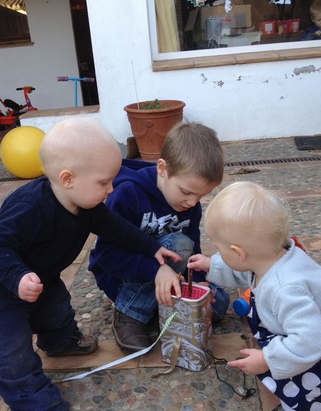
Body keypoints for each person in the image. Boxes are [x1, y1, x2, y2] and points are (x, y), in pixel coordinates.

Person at [0, 116, 180, 411]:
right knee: (10, 349)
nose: (110, 190)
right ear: (68, 178)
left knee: (55, 308)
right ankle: (32, 405)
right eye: (103, 183)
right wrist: (18, 277)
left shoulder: (87, 204)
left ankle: (60, 340)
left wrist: (150, 248)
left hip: (39, 272)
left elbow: (116, 228)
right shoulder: (29, 206)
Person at [188, 181, 321, 411]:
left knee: (300, 374)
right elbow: (244, 269)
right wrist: (212, 264)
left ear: (237, 252)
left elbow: (310, 342)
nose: (219, 253)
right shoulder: (274, 255)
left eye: (219, 249)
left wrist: (268, 359)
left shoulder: (285, 289)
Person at [89, 122, 230, 351]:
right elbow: (107, 255)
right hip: (121, 276)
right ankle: (129, 312)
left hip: (169, 270)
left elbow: (193, 253)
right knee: (179, 243)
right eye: (186, 191)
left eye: (201, 195)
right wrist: (156, 270)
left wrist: (199, 280)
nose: (192, 203)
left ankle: (159, 304)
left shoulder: (189, 205)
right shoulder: (127, 194)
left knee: (218, 302)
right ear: (162, 169)